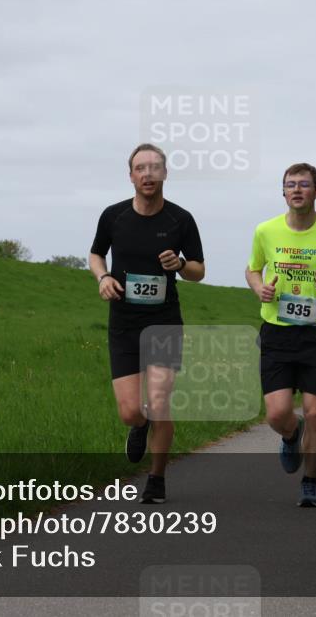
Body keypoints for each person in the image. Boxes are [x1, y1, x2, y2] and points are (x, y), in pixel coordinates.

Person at [89, 143, 205, 504]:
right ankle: (138, 427)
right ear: (131, 176)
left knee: (159, 401)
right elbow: (95, 253)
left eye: (155, 167)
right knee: (130, 411)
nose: (148, 174)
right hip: (123, 322)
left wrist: (181, 265)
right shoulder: (114, 216)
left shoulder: (180, 219)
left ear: (165, 174)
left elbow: (199, 270)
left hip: (164, 321)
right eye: (141, 168)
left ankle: (156, 478)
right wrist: (103, 277)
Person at [246, 162, 316, 507]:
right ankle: (291, 435)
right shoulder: (265, 231)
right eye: (290, 184)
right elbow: (253, 269)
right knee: (277, 414)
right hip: (278, 333)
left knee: (315, 412)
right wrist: (259, 288)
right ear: (283, 192)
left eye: (304, 185)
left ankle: (310, 481)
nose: (297, 190)